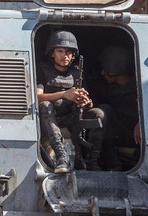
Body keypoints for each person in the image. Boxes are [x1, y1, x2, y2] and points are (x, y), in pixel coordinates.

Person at [37, 30, 107, 173]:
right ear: (52, 53)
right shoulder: (43, 70)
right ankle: (61, 156)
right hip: (49, 120)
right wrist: (65, 94)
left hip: (72, 119)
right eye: (60, 51)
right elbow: (37, 97)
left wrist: (86, 103)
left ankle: (93, 161)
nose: (65, 56)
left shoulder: (76, 73)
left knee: (99, 112)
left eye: (68, 52)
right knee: (45, 105)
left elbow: (87, 103)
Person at [94, 46, 141, 171]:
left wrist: (143, 121)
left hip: (139, 136)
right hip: (118, 134)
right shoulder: (106, 89)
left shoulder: (141, 86)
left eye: (106, 69)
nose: (102, 73)